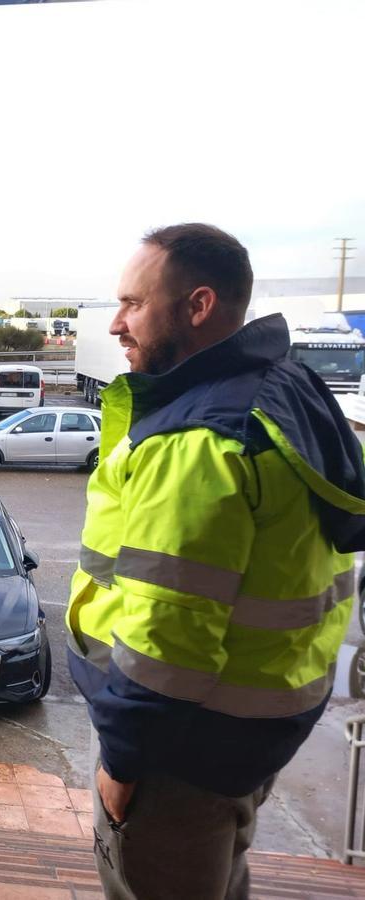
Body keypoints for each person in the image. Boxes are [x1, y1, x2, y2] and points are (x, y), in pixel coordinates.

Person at [67, 224, 365, 900]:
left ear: (198, 306)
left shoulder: (200, 438)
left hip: (175, 753)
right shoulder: (283, 387)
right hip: (249, 728)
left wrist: (123, 764)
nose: (115, 324)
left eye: (133, 303)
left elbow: (168, 635)